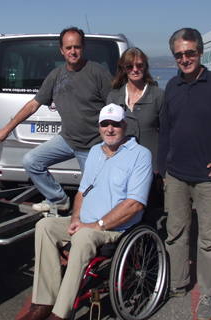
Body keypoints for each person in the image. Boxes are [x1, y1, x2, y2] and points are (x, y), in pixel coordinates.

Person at [20, 104, 153, 320]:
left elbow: (135, 204)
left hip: (115, 229)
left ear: (124, 126)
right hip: (86, 223)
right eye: (104, 124)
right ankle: (44, 303)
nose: (110, 129)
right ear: (99, 127)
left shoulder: (140, 155)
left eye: (115, 124)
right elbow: (82, 191)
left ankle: (60, 314)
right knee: (44, 226)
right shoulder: (94, 152)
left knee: (82, 236)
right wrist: (75, 218)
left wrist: (95, 225)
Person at [157, 28, 211, 320]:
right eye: (179, 54)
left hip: (209, 179)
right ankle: (178, 283)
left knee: (209, 239)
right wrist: (163, 170)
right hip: (176, 176)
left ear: (200, 52)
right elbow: (166, 130)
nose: (184, 58)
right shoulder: (172, 86)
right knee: (175, 233)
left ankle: (207, 293)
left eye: (190, 52)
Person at [0, 27, 113, 213]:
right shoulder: (56, 75)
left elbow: (115, 108)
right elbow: (33, 105)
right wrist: (6, 130)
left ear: (84, 47)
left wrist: (115, 143)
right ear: (61, 50)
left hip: (93, 146)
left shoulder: (98, 73)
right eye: (69, 47)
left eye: (77, 47)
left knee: (94, 201)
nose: (73, 51)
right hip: (67, 140)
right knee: (31, 161)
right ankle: (58, 198)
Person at [106, 48, 164, 217]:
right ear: (123, 69)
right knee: (121, 214)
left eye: (139, 65)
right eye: (129, 66)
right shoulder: (114, 97)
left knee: (148, 215)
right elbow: (107, 134)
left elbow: (167, 135)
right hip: (121, 168)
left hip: (151, 169)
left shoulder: (159, 96)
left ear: (145, 67)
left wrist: (163, 171)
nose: (135, 69)